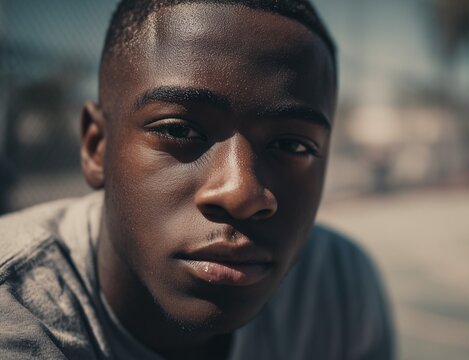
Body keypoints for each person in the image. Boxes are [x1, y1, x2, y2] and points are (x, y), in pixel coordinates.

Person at [0, 1, 394, 359]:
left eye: (292, 145)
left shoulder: (339, 286)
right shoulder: (15, 313)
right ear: (96, 146)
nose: (242, 193)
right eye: (181, 131)